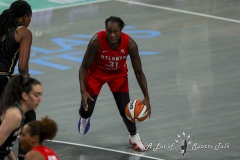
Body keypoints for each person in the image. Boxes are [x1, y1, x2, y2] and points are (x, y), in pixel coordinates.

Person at [78, 16, 152, 152]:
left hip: (117, 75)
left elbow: (139, 72)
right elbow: (83, 67)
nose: (112, 35)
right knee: (86, 109)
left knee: (126, 111)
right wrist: (83, 90)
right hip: (96, 74)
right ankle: (84, 118)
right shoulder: (96, 42)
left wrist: (147, 97)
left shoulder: (130, 45)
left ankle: (134, 136)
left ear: (121, 31)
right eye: (109, 32)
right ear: (105, 30)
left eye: (115, 32)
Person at [0, 1, 35, 159]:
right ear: (25, 17)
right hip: (2, 79)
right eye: (30, 17)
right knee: (28, 115)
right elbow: (22, 67)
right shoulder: (24, 33)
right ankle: (23, 156)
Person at [0, 74, 43, 160]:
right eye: (36, 95)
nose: (40, 99)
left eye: (41, 95)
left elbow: (5, 145)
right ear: (25, 96)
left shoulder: (19, 113)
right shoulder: (15, 115)